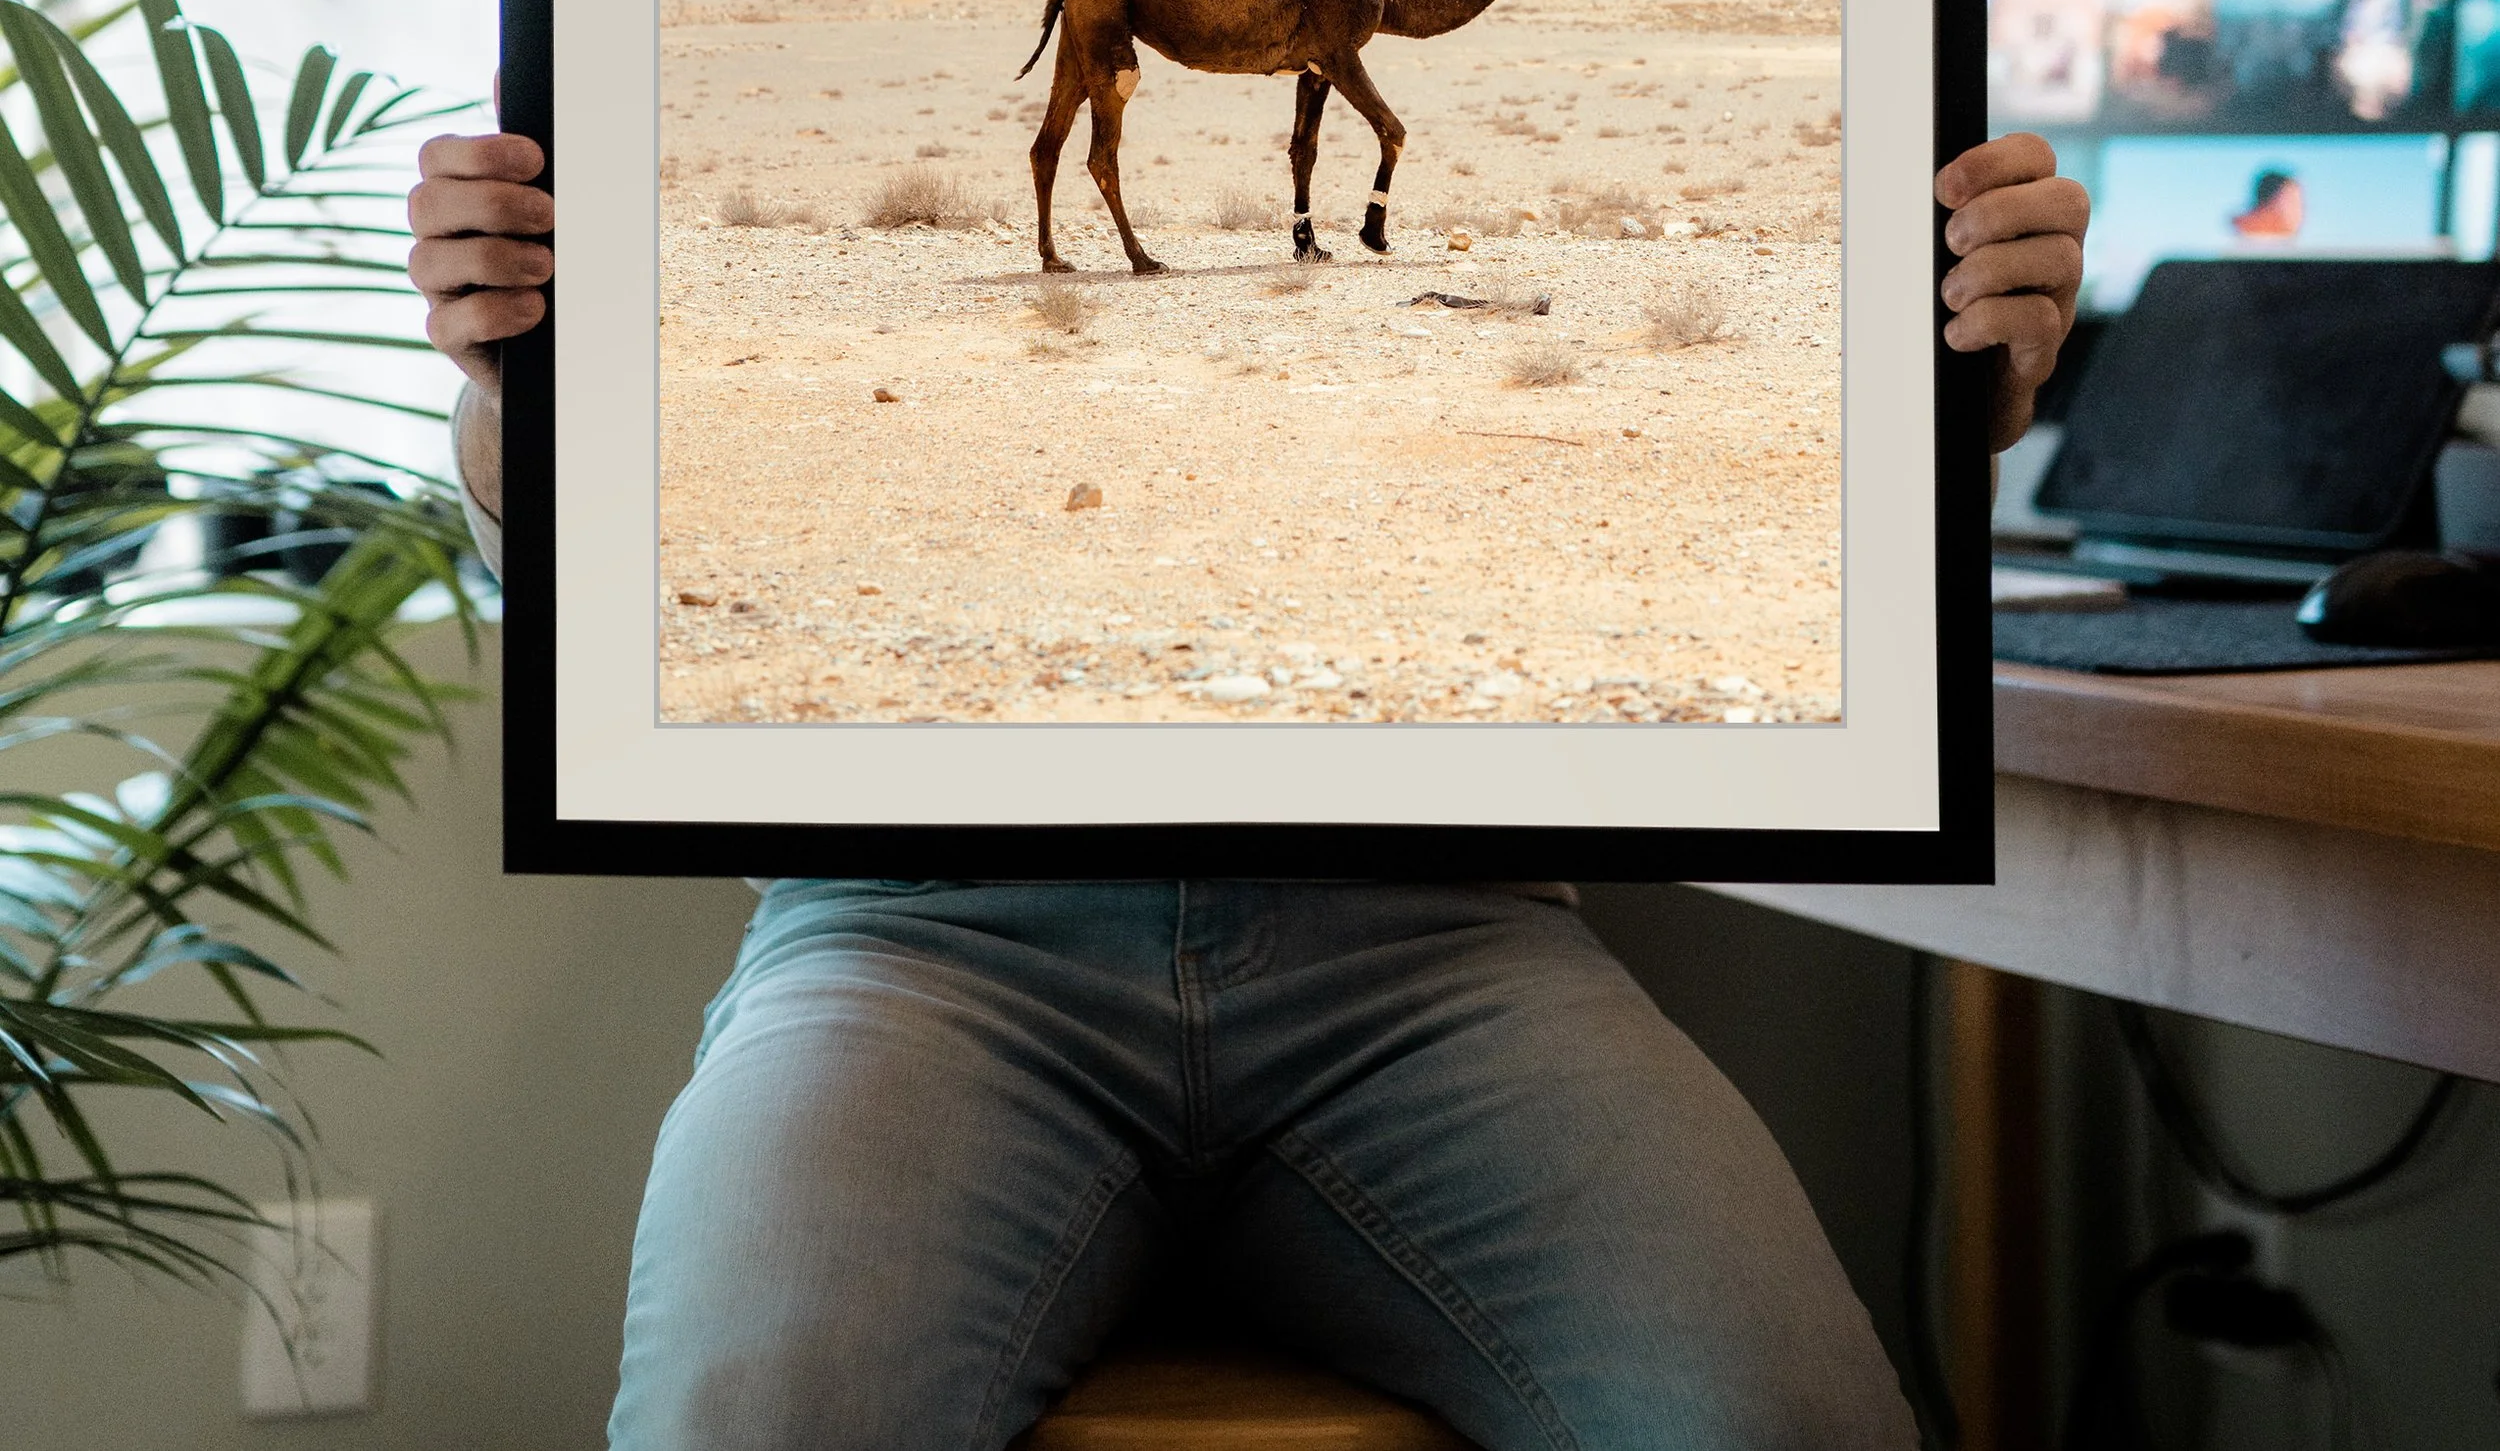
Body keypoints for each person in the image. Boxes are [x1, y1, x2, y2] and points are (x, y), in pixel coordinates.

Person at [410, 126, 2085, 1451]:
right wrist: (517, 391)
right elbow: (595, 569)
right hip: (919, 941)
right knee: (761, 1419)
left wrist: (1948, 390)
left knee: (1786, 1421)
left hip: (1439, 943)